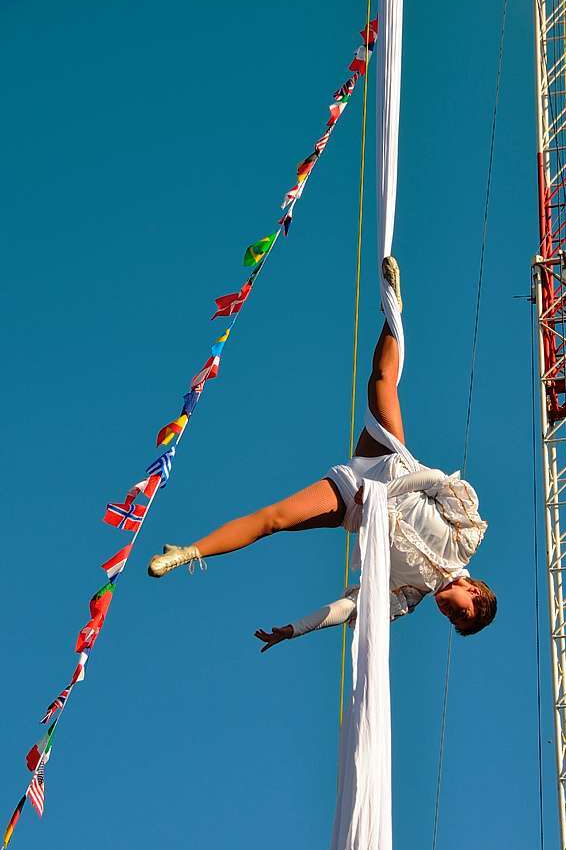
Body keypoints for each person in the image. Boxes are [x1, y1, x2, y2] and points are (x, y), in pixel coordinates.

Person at [148, 257, 496, 648]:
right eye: (462, 614)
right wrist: (383, 494)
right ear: (476, 593)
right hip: (391, 467)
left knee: (274, 520)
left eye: (453, 624)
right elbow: (436, 481)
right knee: (381, 382)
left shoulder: (409, 594)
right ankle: (393, 310)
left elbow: (352, 606)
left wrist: (295, 629)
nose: (449, 616)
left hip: (353, 500)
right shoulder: (465, 538)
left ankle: (189, 552)